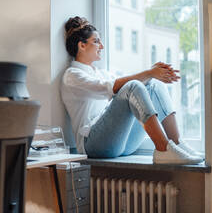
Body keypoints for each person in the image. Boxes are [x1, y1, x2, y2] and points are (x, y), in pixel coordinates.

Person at [61, 16, 203, 164]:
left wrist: (153, 74)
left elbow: (127, 84)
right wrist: (149, 72)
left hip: (120, 143)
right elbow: (113, 87)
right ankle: (163, 149)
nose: (101, 46)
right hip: (92, 145)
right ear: (82, 46)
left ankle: (177, 144)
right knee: (133, 86)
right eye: (96, 41)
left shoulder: (101, 73)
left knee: (154, 85)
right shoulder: (72, 75)